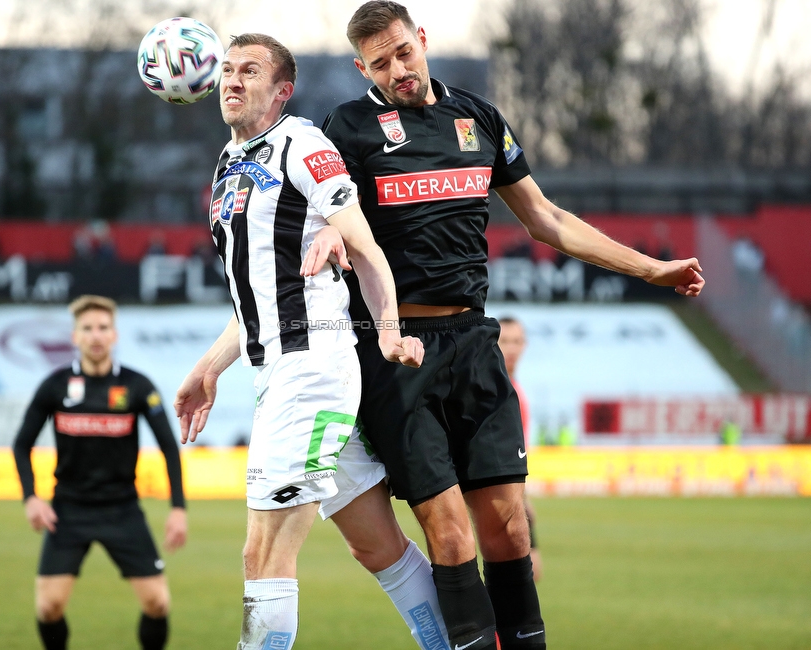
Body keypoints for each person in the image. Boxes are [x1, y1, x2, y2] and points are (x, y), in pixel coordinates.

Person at [320, 3, 705, 649]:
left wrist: (650, 269)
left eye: (403, 52)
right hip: (398, 352)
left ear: (422, 40)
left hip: (474, 343)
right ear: (363, 67)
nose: (398, 70)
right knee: (449, 534)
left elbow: (546, 219)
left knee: (510, 533)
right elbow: (331, 221)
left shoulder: (478, 118)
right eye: (380, 63)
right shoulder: (348, 128)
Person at [173, 33, 450, 650]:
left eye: (250, 71)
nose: (233, 80)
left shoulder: (301, 143)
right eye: (227, 70)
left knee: (262, 552)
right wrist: (211, 366)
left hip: (311, 369)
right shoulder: (227, 165)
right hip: (278, 370)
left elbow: (365, 247)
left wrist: (389, 332)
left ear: (282, 91)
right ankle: (461, 643)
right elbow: (256, 295)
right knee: (375, 544)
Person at [13, 295, 187, 650]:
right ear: (75, 336)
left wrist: (178, 508)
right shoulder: (55, 386)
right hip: (68, 510)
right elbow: (21, 444)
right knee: (49, 607)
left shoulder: (138, 386)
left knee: (158, 603)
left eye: (103, 328)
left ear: (115, 335)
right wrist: (30, 497)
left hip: (122, 509)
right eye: (88, 328)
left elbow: (170, 447)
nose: (96, 335)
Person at [496, 317, 541, 582]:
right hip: (497, 496)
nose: (512, 348)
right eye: (505, 341)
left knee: (525, 576)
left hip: (512, 492)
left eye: (517, 341)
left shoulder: (515, 388)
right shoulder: (493, 387)